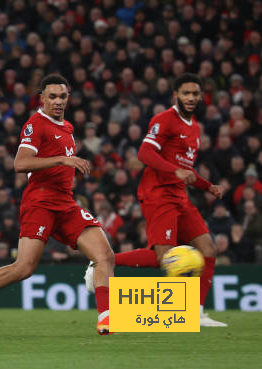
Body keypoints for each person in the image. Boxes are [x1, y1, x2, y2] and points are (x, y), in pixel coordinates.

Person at [0, 74, 115, 335]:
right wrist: (62, 160)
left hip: (65, 203)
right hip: (39, 202)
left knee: (105, 255)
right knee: (24, 268)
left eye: (62, 96)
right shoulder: (35, 124)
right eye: (52, 96)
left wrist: (64, 162)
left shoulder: (68, 128)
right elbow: (20, 163)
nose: (58, 101)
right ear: (42, 98)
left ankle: (107, 319)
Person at [85, 73, 227, 327]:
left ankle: (196, 313)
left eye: (196, 93)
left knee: (208, 249)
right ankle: (102, 262)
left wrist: (209, 187)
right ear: (176, 95)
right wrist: (175, 171)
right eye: (186, 93)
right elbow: (144, 152)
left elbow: (184, 167)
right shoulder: (165, 120)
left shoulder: (194, 127)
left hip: (179, 195)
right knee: (164, 258)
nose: (191, 98)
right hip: (158, 193)